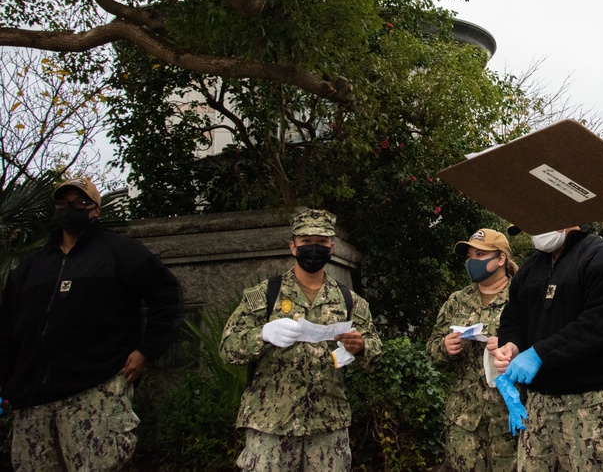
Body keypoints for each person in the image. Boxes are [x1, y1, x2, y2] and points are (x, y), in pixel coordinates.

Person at [0, 176, 184, 471]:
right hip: (32, 402)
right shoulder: (31, 266)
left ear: (96, 209)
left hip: (93, 393)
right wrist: (7, 381)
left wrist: (147, 351)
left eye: (80, 202)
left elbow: (168, 296)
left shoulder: (120, 252)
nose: (70, 208)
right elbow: (7, 325)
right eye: (63, 202)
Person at [220, 208, 382, 472]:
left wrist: (362, 346)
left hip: (328, 427)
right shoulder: (264, 295)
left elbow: (375, 353)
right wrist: (262, 335)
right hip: (271, 426)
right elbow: (228, 348)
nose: (314, 248)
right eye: (307, 242)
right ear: (293, 247)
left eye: (321, 242)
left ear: (331, 247)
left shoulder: (350, 301)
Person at [490, 225, 603, 471]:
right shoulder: (529, 269)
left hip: (591, 406)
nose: (536, 231)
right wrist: (511, 345)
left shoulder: (602, 258)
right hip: (537, 408)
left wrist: (539, 354)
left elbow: (599, 322)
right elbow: (513, 319)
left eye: (538, 222)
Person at [427, 228, 520, 472]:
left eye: (480, 255)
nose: (472, 262)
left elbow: (540, 346)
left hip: (510, 418)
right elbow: (432, 351)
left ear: (500, 259)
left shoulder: (521, 296)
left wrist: (513, 349)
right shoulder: (457, 300)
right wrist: (445, 347)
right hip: (464, 420)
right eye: (470, 256)